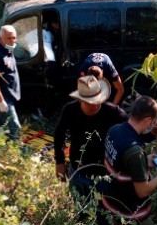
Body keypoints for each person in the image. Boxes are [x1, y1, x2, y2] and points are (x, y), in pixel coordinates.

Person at [99, 96, 157, 224]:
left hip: (109, 205)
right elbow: (142, 191)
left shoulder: (114, 130)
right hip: (129, 214)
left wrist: (145, 160)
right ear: (148, 120)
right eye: (154, 120)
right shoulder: (135, 152)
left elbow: (120, 161)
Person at [53, 73, 124, 202]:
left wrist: (150, 134)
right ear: (80, 100)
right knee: (79, 208)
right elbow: (59, 134)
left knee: (102, 212)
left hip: (103, 174)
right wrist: (60, 161)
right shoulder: (70, 110)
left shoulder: (113, 112)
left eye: (98, 100)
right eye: (90, 102)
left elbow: (131, 130)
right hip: (77, 170)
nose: (95, 105)